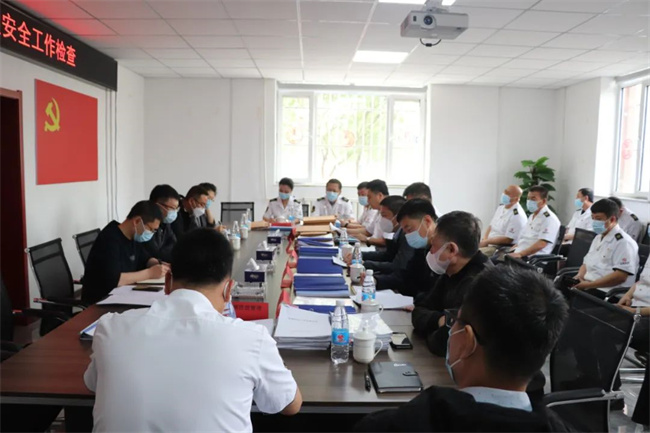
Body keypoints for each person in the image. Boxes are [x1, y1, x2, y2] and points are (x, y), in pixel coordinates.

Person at [84, 229, 302, 432]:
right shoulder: (252, 339)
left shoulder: (110, 328)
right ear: (228, 290)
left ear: (167, 282)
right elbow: (290, 405)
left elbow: (93, 383)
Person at [355, 266, 571, 432]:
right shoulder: (557, 427)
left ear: (467, 340)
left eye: (454, 322)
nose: (451, 329)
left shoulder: (400, 424)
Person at [412, 211, 491, 356]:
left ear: (451, 249)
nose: (430, 251)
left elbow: (442, 343)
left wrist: (434, 324)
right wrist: (440, 320)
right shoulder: (451, 271)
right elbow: (419, 311)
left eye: (434, 245)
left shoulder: (479, 283)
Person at [81, 201, 169, 305]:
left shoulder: (133, 237)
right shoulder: (109, 239)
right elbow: (114, 280)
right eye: (151, 230)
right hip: (101, 301)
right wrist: (150, 273)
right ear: (137, 221)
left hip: (123, 295)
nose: (151, 234)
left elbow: (144, 259)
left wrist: (160, 264)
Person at [564, 198, 638, 299]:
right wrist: (579, 276)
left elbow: (620, 276)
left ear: (612, 219)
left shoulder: (624, 243)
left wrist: (589, 285)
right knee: (557, 289)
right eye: (593, 218)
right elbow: (586, 262)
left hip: (606, 292)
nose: (594, 222)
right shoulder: (598, 237)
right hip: (589, 285)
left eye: (598, 219)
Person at [616, 265, 649, 426]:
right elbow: (641, 281)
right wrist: (628, 296)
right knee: (595, 323)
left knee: (605, 331)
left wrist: (634, 311)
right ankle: (606, 389)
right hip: (636, 308)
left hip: (644, 313)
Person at [388, 198, 439, 297]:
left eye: (409, 230)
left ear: (427, 221)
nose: (408, 236)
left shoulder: (443, 250)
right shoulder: (422, 247)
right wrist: (376, 280)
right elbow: (406, 276)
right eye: (405, 232)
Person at [360, 196, 414, 285]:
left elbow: (397, 266)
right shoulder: (396, 232)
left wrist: (367, 265)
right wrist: (360, 256)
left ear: (398, 216)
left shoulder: (407, 235)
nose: (381, 219)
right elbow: (387, 256)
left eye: (384, 215)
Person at [509, 186, 561, 258]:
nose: (529, 201)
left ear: (543, 201)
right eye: (528, 198)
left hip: (532, 259)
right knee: (495, 259)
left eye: (533, 199)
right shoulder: (532, 216)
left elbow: (542, 244)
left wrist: (520, 254)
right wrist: (511, 251)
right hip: (519, 254)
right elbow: (523, 239)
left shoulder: (549, 219)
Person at [479, 185, 527, 257]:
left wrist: (487, 241)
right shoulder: (501, 207)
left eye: (507, 193)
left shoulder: (517, 215)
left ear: (516, 199)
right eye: (505, 191)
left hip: (500, 248)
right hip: (489, 243)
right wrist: (484, 240)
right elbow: (491, 226)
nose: (504, 194)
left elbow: (508, 239)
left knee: (472, 256)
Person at [144, 184, 180, 263]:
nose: (174, 212)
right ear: (157, 205)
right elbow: (155, 252)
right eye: (172, 208)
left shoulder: (165, 223)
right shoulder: (145, 224)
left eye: (176, 209)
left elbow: (174, 244)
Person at [347, 179, 389, 247]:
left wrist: (367, 239)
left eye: (369, 197)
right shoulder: (378, 211)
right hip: (375, 247)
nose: (368, 201)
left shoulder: (389, 212)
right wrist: (344, 231)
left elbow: (387, 241)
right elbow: (368, 231)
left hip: (380, 250)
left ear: (380, 196)